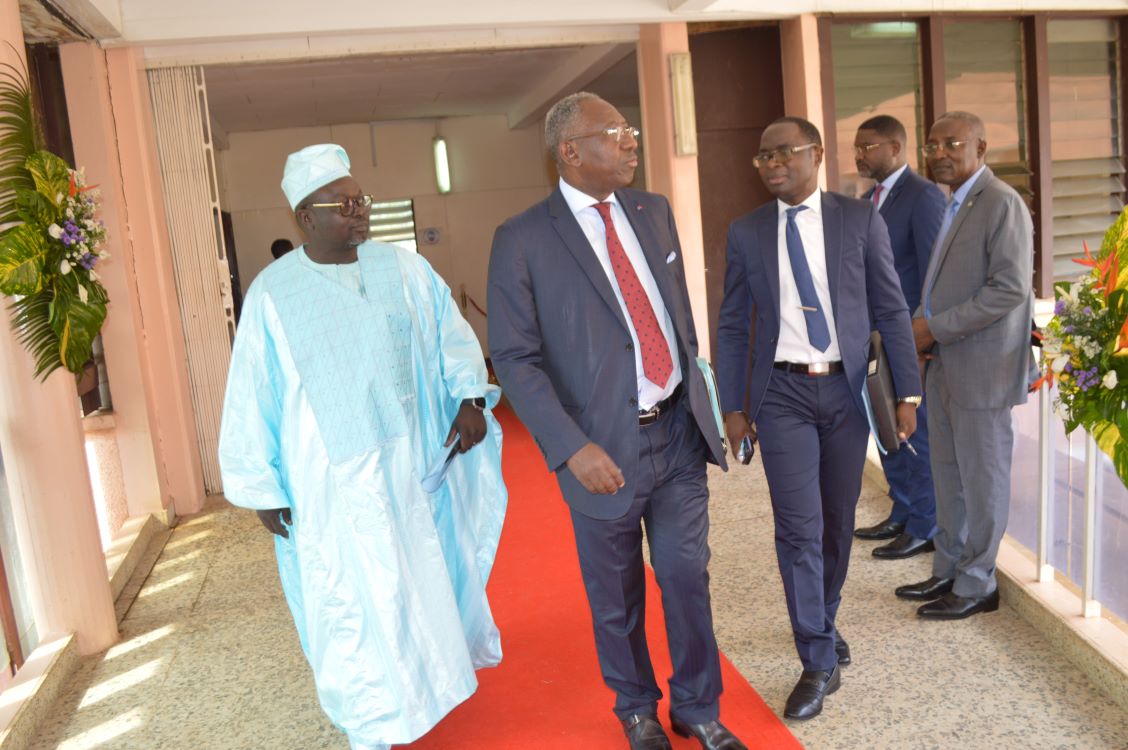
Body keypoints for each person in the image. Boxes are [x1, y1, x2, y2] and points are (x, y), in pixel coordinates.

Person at [218, 144, 507, 750]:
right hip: (330, 482)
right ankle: (372, 715)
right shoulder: (272, 294)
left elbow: (450, 335)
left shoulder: (404, 268)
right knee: (353, 597)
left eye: (361, 200)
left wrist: (470, 397)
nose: (359, 212)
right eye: (343, 204)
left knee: (421, 576)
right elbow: (252, 392)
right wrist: (261, 487)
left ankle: (433, 684)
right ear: (305, 217)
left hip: (413, 461)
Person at [488, 92, 743, 750]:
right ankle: (636, 709)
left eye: (630, 130)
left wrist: (703, 400)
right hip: (599, 448)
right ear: (570, 151)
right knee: (617, 592)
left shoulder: (652, 211)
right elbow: (514, 358)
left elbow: (677, 317)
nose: (632, 142)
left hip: (677, 432)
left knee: (686, 574)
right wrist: (571, 447)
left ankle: (698, 705)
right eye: (615, 133)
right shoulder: (523, 238)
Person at [715, 116, 920, 721]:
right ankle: (816, 658)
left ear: (817, 153)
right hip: (781, 394)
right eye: (763, 156)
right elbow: (733, 324)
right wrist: (732, 406)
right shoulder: (747, 231)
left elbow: (891, 307)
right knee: (797, 528)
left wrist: (907, 393)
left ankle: (823, 621)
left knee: (836, 521)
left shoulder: (858, 219)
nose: (773, 163)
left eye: (785, 152)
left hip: (847, 390)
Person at [895, 111, 1035, 620]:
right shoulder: (954, 202)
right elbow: (938, 286)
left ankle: (978, 585)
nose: (939, 153)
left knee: (982, 480)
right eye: (932, 145)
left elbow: (1009, 288)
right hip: (945, 365)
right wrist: (919, 328)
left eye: (952, 143)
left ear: (981, 147)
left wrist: (933, 328)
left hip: (982, 369)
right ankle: (950, 569)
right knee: (948, 475)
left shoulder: (1001, 202)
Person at [852, 115, 946, 559]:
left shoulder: (923, 196)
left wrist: (921, 336)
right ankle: (903, 511)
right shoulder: (867, 200)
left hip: (907, 336)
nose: (859, 154)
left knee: (914, 432)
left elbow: (932, 272)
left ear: (895, 147)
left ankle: (926, 525)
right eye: (856, 147)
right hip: (873, 337)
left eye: (867, 146)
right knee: (886, 427)